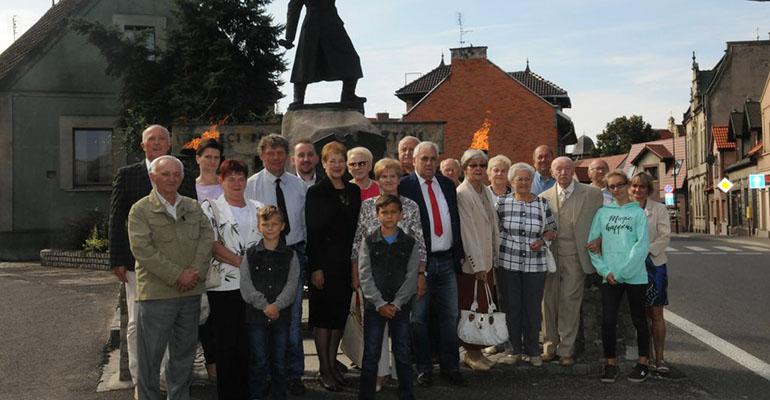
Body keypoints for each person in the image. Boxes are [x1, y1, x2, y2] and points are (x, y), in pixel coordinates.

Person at [108, 124, 196, 396]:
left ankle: (165, 377)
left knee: (171, 321)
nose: (157, 143)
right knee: (137, 322)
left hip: (176, 263)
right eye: (151, 140)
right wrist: (117, 259)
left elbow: (192, 218)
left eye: (162, 139)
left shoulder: (182, 174)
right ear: (142, 145)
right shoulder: (128, 175)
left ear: (169, 144)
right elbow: (116, 218)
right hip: (138, 264)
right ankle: (140, 379)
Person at [127, 155, 213, 400]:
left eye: (177, 174)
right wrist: (178, 275)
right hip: (156, 295)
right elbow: (143, 250)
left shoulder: (192, 207)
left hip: (189, 294)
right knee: (150, 359)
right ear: (153, 177)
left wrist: (194, 273)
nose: (172, 179)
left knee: (184, 357)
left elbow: (207, 240)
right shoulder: (140, 210)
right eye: (165, 174)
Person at [350, 158, 427, 390]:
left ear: (399, 179)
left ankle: (401, 380)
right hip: (375, 278)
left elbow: (420, 240)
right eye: (384, 176)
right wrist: (355, 273)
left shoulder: (411, 206)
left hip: (403, 278)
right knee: (373, 340)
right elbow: (358, 240)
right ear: (378, 179)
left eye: (393, 176)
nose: (388, 180)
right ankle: (379, 375)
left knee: (403, 337)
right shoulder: (368, 206)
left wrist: (421, 273)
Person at [245, 134, 309, 395]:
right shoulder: (251, 185)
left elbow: (304, 223)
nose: (275, 157)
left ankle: (293, 374)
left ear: (287, 155)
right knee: (265, 318)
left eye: (280, 152)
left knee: (292, 320)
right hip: (263, 258)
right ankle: (268, 374)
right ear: (262, 156)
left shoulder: (298, 185)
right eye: (270, 153)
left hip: (293, 254)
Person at [399, 141, 466, 387]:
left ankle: (451, 367)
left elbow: (454, 220)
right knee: (418, 319)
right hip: (419, 265)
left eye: (432, 159)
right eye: (424, 159)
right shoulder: (404, 186)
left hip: (446, 261)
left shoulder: (447, 185)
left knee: (450, 317)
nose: (429, 163)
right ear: (414, 161)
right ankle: (424, 368)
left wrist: (459, 252)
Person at [200, 160, 263, 400]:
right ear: (221, 181)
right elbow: (212, 245)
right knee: (226, 347)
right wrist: (242, 263)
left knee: (248, 347)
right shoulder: (210, 208)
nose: (236, 182)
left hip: (254, 287)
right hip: (224, 287)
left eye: (240, 177)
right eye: (231, 178)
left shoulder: (259, 207)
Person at [306, 141, 362, 391]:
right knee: (323, 318)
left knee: (338, 317)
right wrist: (316, 267)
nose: (337, 165)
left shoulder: (353, 191)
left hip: (345, 262)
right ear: (324, 163)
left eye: (341, 160)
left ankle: (333, 365)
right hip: (324, 263)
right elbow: (314, 231)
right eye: (332, 161)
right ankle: (324, 369)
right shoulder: (317, 191)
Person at [538, 157, 603, 366]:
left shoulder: (592, 194)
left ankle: (566, 349)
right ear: (552, 172)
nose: (563, 173)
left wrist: (600, 239)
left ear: (573, 170)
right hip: (550, 256)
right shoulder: (543, 197)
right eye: (559, 169)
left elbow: (603, 220)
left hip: (577, 256)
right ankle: (549, 346)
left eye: (567, 169)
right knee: (548, 302)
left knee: (569, 302)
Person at [587, 170, 650, 383]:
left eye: (620, 185)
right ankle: (610, 363)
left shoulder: (638, 213)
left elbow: (641, 246)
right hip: (610, 276)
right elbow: (592, 246)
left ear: (627, 184)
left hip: (634, 276)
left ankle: (643, 362)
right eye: (612, 187)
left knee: (639, 320)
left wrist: (623, 273)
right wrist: (605, 271)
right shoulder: (602, 213)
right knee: (608, 321)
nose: (616, 190)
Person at [357, 195, 419, 400]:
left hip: (400, 306)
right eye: (384, 213)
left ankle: (406, 393)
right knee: (371, 353)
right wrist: (380, 303)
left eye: (393, 212)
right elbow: (364, 275)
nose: (389, 216)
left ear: (400, 215)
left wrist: (397, 303)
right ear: (377, 215)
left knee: (402, 351)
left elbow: (411, 277)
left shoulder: (409, 243)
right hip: (375, 306)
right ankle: (365, 394)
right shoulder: (369, 241)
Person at [496, 162, 557, 367]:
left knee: (532, 308)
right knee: (511, 307)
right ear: (511, 182)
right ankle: (513, 350)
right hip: (508, 263)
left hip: (535, 265)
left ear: (532, 181)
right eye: (519, 179)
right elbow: (494, 229)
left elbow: (551, 230)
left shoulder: (542, 204)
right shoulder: (501, 203)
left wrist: (542, 240)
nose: (523, 182)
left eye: (527, 179)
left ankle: (532, 351)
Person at [241, 205, 300, 400]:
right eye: (265, 224)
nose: (270, 228)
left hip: (281, 317)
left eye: (274, 224)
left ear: (282, 226)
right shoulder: (250, 255)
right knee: (258, 361)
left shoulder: (291, 255)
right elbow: (246, 286)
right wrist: (265, 306)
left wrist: (277, 305)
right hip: (256, 317)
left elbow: (292, 285)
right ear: (259, 226)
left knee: (279, 361)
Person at [628, 172, 681, 379]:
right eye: (634, 186)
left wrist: (643, 250)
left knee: (656, 314)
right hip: (633, 267)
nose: (637, 190)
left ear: (648, 189)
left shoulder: (658, 209)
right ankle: (645, 357)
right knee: (639, 315)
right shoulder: (626, 210)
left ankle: (660, 358)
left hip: (654, 264)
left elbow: (664, 236)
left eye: (642, 187)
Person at [456, 150, 500, 371]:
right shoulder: (463, 193)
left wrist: (493, 257)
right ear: (464, 168)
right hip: (474, 265)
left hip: (488, 260)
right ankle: (470, 354)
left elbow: (492, 225)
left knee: (483, 306)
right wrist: (478, 266)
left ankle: (479, 351)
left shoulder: (485, 191)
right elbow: (468, 232)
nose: (478, 169)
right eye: (473, 165)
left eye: (482, 165)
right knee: (471, 307)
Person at [280, 0, 365, 105]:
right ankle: (298, 99)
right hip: (313, 26)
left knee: (351, 60)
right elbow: (294, 8)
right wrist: (289, 37)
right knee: (304, 63)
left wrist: (289, 38)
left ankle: (348, 95)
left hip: (332, 24)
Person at [194, 138, 223, 380]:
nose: (212, 162)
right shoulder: (187, 187)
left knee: (221, 313)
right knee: (202, 315)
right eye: (207, 157)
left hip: (224, 259)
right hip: (195, 258)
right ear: (198, 159)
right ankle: (208, 364)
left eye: (216, 157)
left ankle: (220, 366)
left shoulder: (228, 186)